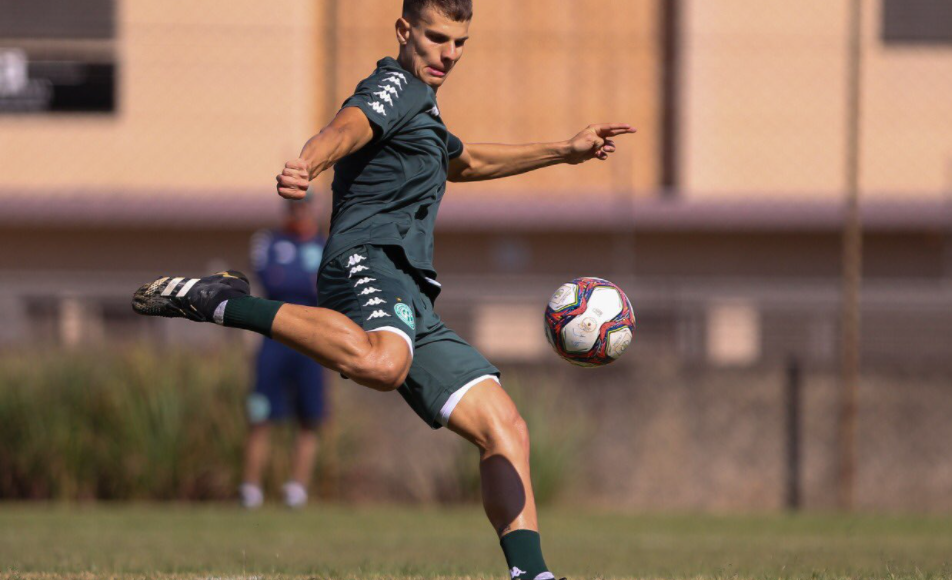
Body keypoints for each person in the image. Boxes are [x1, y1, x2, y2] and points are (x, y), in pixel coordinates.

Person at [132, 0, 635, 577]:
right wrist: (310, 162)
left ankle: (531, 574)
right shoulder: (395, 85)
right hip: (364, 261)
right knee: (384, 363)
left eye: (460, 42)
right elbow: (349, 124)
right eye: (437, 37)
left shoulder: (425, 108)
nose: (449, 53)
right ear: (404, 30)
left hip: (413, 292)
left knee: (504, 426)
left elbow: (463, 160)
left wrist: (563, 151)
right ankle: (223, 301)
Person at [240, 199, 328, 510]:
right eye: (293, 206)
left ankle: (296, 490)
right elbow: (274, 281)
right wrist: (305, 283)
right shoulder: (268, 241)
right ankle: (250, 489)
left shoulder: (326, 245)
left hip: (312, 340)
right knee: (261, 414)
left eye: (304, 205)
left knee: (310, 418)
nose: (299, 211)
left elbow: (327, 287)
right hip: (274, 338)